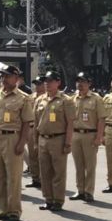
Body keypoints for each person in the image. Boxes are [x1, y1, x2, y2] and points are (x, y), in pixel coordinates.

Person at [0, 66, 33, 221]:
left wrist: (22, 142)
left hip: (12, 138)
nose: (4, 79)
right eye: (2, 76)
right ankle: (2, 208)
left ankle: (14, 210)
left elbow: (26, 123)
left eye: (7, 76)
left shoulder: (24, 98)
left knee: (13, 177)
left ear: (16, 78)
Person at [34, 71, 75, 211]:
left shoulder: (66, 100)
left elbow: (70, 123)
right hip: (43, 139)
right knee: (44, 172)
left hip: (58, 138)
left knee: (58, 172)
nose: (47, 83)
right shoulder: (40, 100)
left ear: (58, 83)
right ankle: (48, 199)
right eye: (46, 81)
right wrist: (35, 141)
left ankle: (58, 200)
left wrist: (68, 143)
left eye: (51, 81)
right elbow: (35, 122)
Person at [70, 72, 106, 203]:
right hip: (75, 134)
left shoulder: (96, 99)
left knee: (90, 166)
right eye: (78, 81)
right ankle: (80, 190)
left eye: (83, 81)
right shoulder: (72, 99)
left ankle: (89, 191)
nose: (80, 84)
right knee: (78, 165)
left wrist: (99, 137)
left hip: (90, 134)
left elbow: (101, 119)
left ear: (89, 84)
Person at [25, 76, 45, 188]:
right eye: (36, 84)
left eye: (39, 84)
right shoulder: (30, 98)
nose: (37, 86)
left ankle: (44, 178)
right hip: (31, 128)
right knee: (32, 155)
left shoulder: (47, 98)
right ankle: (35, 178)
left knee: (42, 156)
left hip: (42, 129)